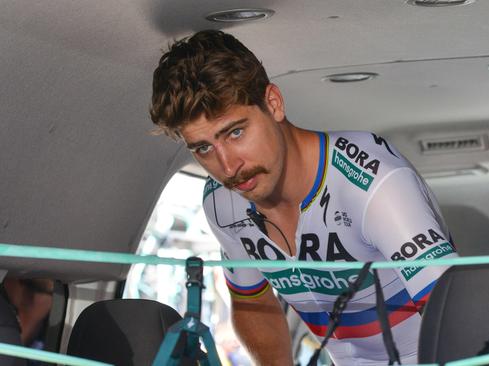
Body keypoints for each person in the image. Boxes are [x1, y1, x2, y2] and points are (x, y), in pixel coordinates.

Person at [150, 30, 457, 366]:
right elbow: (253, 301)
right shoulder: (221, 202)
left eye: (236, 132)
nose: (228, 166)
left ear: (273, 103)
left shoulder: (371, 182)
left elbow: (453, 316)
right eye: (204, 148)